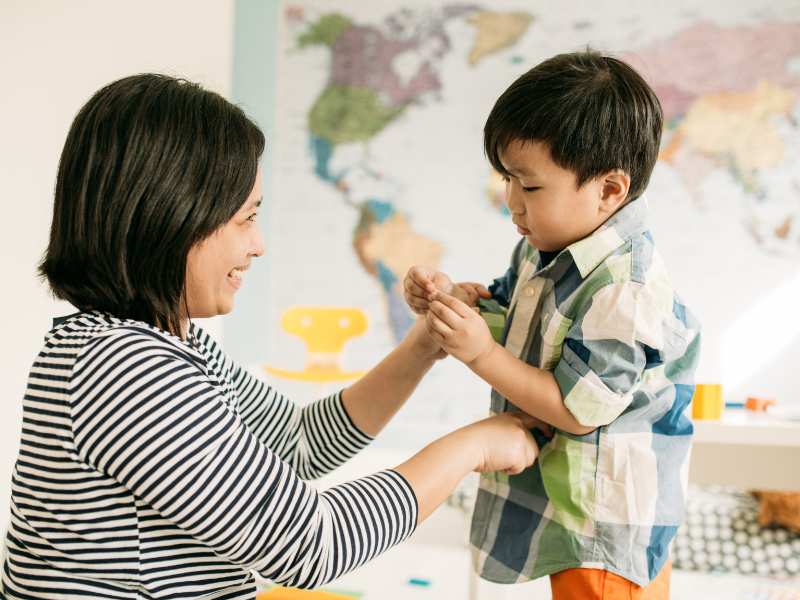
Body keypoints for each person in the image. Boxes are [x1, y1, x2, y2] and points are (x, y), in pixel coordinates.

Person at [0, 74, 541, 600]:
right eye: (244, 219)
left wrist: (424, 343)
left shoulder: (168, 346)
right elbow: (311, 544)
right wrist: (472, 446)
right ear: (172, 217)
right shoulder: (124, 369)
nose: (258, 245)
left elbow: (299, 443)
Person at [404, 50, 701, 599]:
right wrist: (455, 303)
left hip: (604, 520)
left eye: (531, 187)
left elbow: (577, 411)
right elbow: (514, 320)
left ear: (610, 189)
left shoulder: (624, 288)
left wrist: (479, 354)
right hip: (567, 504)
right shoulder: (544, 248)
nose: (511, 203)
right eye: (507, 179)